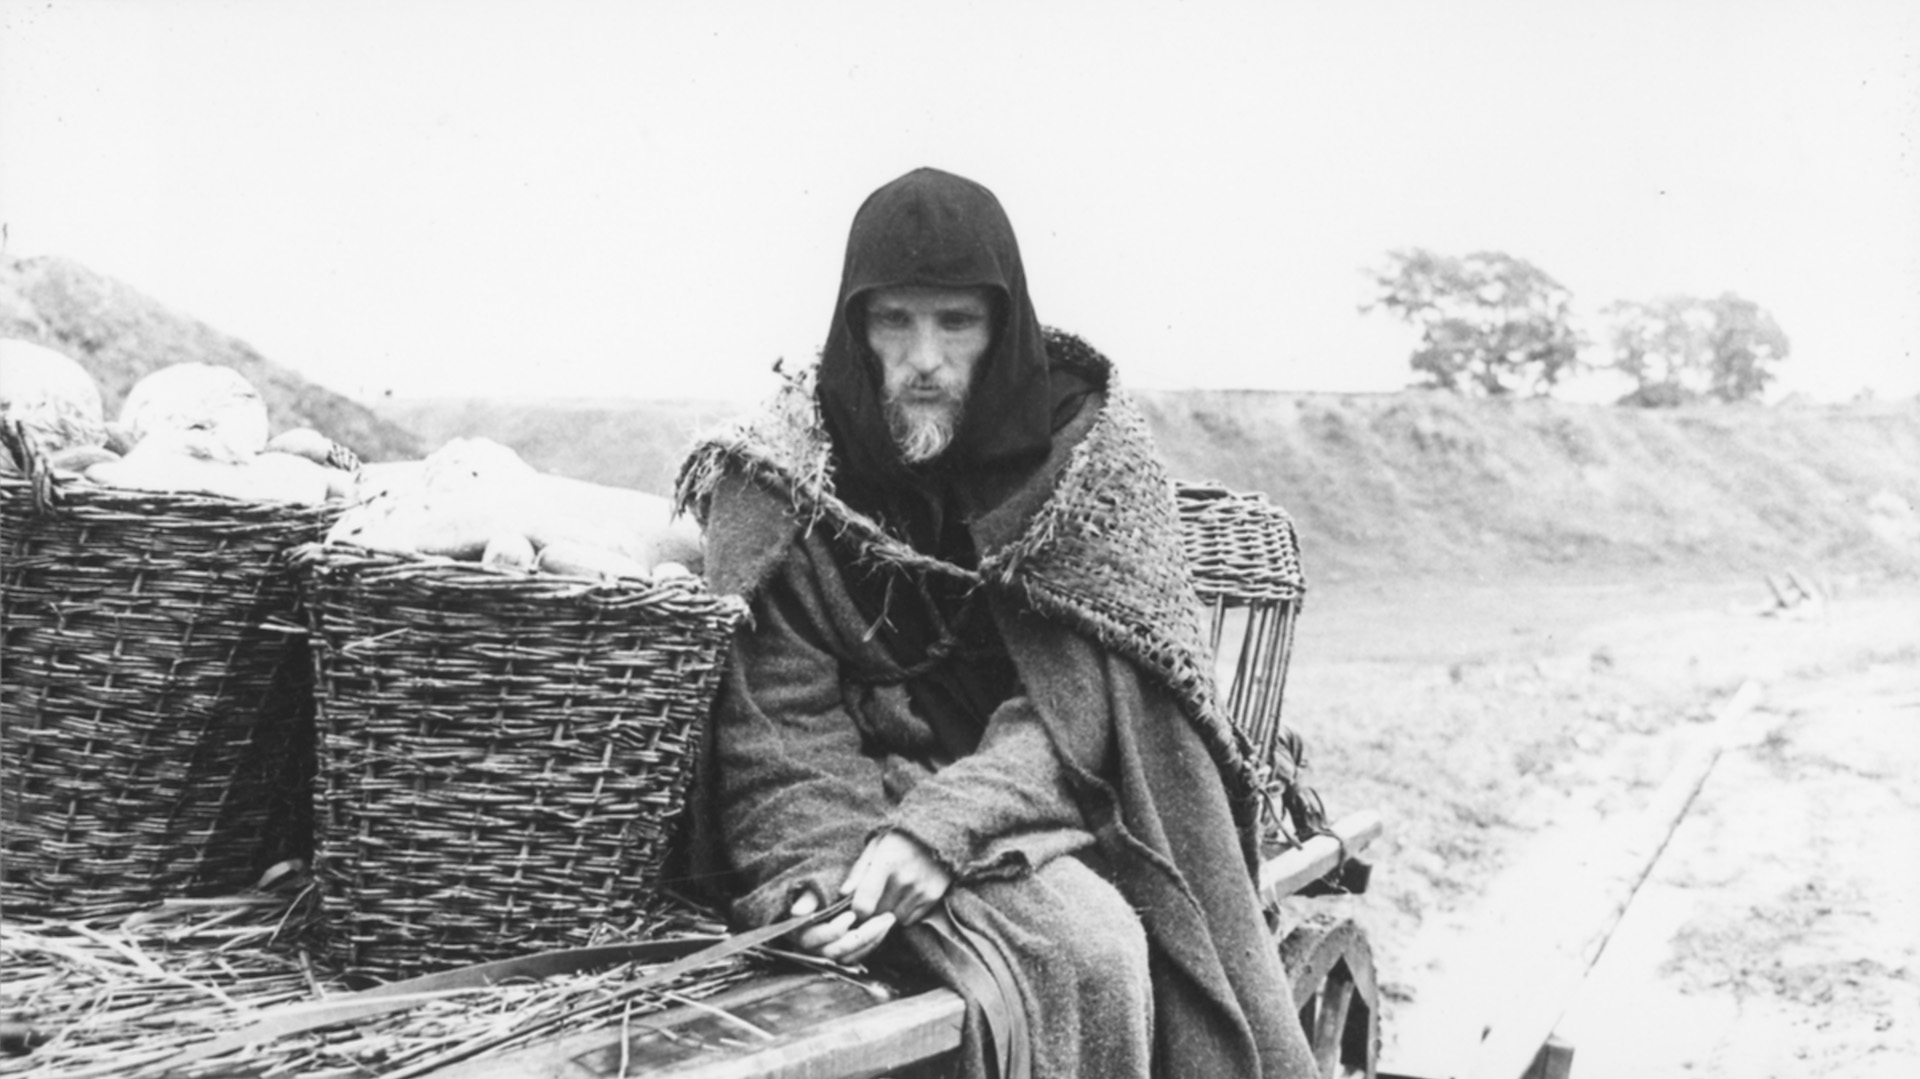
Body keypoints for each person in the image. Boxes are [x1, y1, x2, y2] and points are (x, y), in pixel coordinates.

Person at [675, 167, 1317, 1079]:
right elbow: (778, 720)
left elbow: (1083, 708)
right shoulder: (787, 477)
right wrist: (820, 875)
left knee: (1094, 947)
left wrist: (941, 830)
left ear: (1002, 325)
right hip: (859, 804)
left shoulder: (1080, 454)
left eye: (956, 322)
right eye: (893, 320)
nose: (924, 358)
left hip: (1062, 795)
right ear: (855, 327)